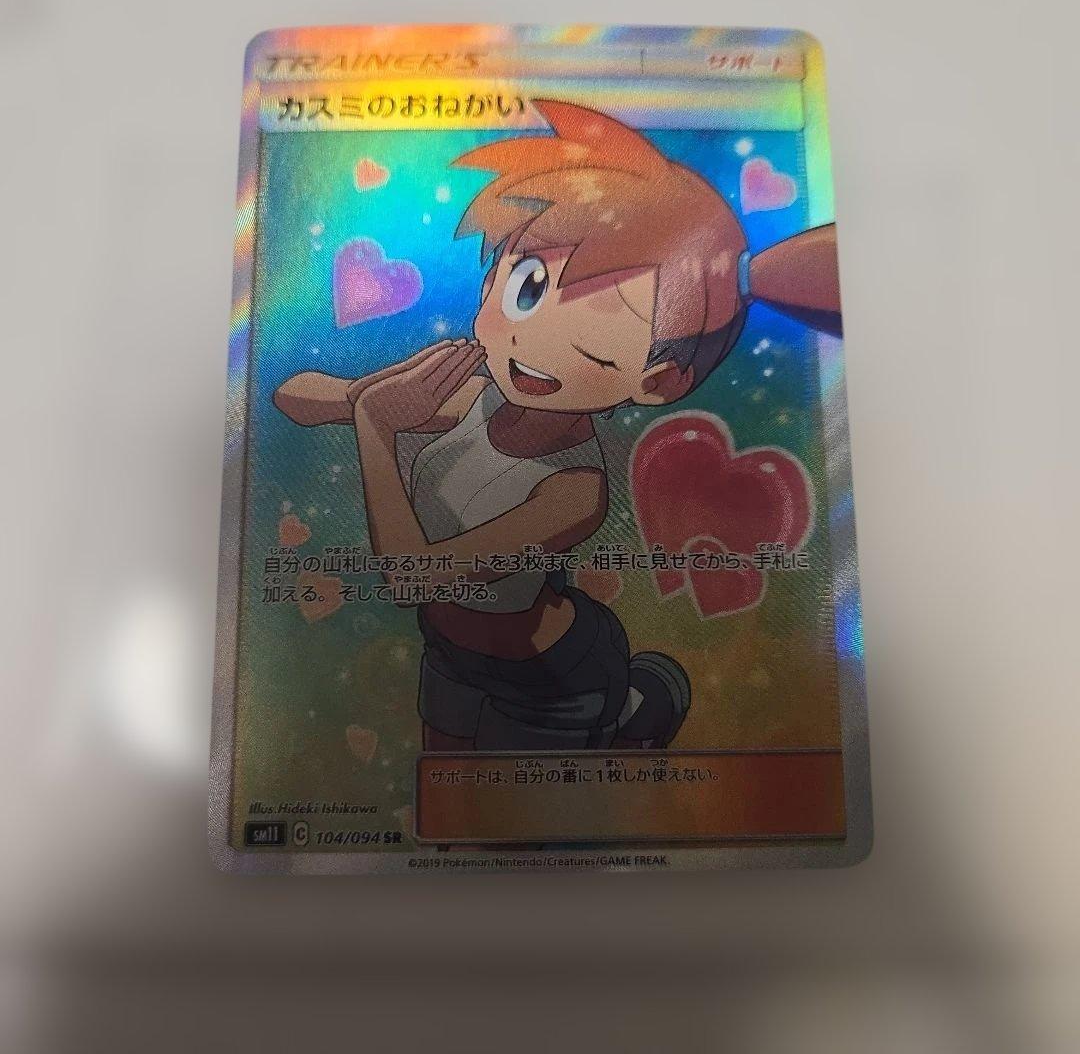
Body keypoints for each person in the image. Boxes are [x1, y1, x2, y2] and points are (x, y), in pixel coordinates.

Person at [274, 100, 841, 753]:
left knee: (530, 804)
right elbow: (294, 397)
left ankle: (631, 715)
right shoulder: (475, 397)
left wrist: (375, 429)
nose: (527, 337)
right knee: (443, 795)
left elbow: (416, 578)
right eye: (526, 288)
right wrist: (368, 394)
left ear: (656, 382)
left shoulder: (575, 492)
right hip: (448, 652)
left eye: (597, 323)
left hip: (550, 679)